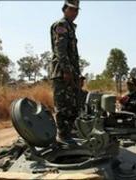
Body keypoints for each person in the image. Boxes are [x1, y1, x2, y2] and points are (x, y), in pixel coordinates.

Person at [49, 0, 81, 142]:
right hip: (62, 73)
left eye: (77, 10)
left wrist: (77, 75)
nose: (75, 13)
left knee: (73, 106)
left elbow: (72, 54)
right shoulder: (61, 25)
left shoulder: (70, 27)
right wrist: (67, 71)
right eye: (72, 9)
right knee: (62, 107)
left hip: (70, 73)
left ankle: (69, 135)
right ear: (65, 9)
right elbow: (60, 50)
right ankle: (62, 137)